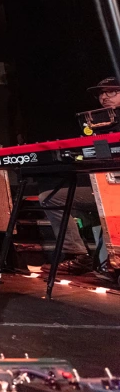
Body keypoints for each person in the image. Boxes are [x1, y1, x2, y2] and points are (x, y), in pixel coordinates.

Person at [38, 77, 119, 275]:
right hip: (103, 187)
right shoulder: (97, 120)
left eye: (111, 92)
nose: (104, 97)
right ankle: (77, 255)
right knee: (50, 197)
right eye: (101, 93)